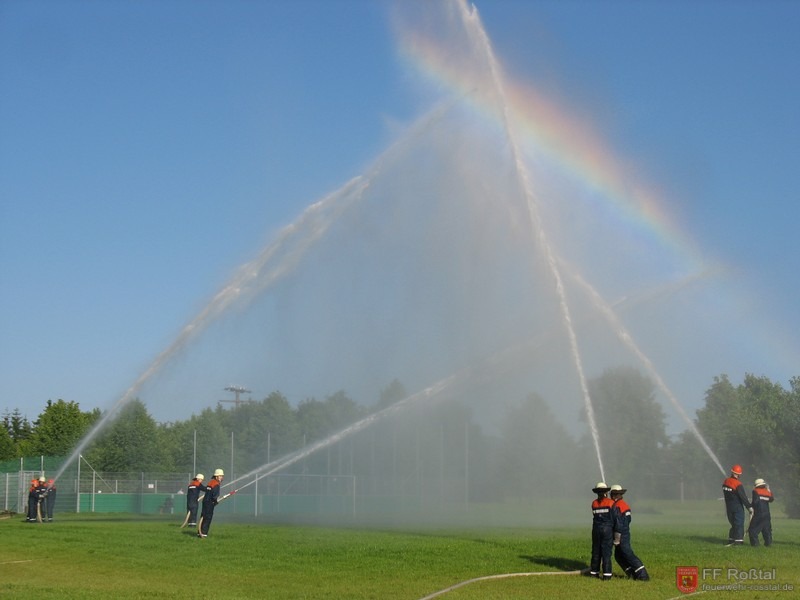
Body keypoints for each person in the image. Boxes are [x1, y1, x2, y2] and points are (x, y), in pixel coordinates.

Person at [610, 484, 649, 581]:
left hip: (621, 534)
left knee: (627, 554)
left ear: (614, 495)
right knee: (618, 556)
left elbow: (619, 524)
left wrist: (617, 538)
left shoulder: (618, 506)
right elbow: (628, 519)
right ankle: (632, 574)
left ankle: (643, 575)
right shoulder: (624, 504)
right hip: (624, 532)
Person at [589, 482, 614, 580]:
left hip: (596, 530)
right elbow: (613, 517)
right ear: (605, 492)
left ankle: (594, 573)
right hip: (607, 530)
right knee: (606, 553)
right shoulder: (611, 502)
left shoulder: (594, 503)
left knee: (596, 551)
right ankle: (607, 575)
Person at [722, 464, 752, 546]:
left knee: (733, 524)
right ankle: (738, 541)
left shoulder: (726, 481)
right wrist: (749, 507)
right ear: (739, 474)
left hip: (729, 507)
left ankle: (731, 539)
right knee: (739, 523)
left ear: (732, 472)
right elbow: (743, 497)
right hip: (737, 507)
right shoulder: (738, 484)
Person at [198, 469, 223, 538]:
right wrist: (216, 501)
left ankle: (199, 533)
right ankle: (203, 534)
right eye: (220, 476)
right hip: (210, 502)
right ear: (216, 476)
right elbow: (215, 496)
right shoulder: (216, 484)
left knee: (203, 516)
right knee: (208, 518)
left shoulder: (210, 482)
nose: (221, 477)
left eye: (222, 476)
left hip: (205, 501)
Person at [749, 478, 774, 547]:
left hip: (758, 513)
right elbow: (771, 499)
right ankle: (768, 544)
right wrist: (769, 490)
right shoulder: (767, 491)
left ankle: (755, 545)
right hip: (767, 514)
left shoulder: (755, 491)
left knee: (752, 530)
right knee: (767, 530)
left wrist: (750, 507)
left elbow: (755, 502)